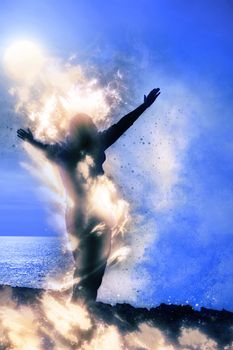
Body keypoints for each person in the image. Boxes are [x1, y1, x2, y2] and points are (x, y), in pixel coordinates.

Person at [17, 88, 161, 302]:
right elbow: (121, 126)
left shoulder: (66, 152)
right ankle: (80, 312)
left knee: (88, 270)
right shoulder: (86, 148)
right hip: (90, 217)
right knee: (90, 270)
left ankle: (80, 312)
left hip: (80, 216)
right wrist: (144, 106)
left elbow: (120, 126)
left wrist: (32, 141)